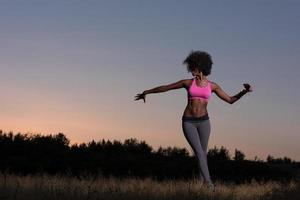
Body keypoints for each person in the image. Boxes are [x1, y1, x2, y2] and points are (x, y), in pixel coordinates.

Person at [134, 50, 253, 192]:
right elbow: (166, 87)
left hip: (204, 122)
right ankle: (209, 184)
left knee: (203, 152)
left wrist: (244, 92)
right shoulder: (187, 83)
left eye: (193, 67)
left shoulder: (212, 86)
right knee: (199, 152)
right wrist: (147, 92)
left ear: (201, 66)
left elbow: (230, 100)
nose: (190, 70)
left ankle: (202, 185)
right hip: (188, 122)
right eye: (190, 67)